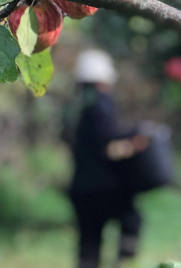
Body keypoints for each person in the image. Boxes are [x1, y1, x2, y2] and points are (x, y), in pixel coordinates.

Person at [63, 49, 148, 268]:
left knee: (89, 239)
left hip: (80, 185)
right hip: (104, 186)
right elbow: (108, 140)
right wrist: (133, 137)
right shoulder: (100, 102)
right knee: (132, 220)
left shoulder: (74, 104)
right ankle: (124, 263)